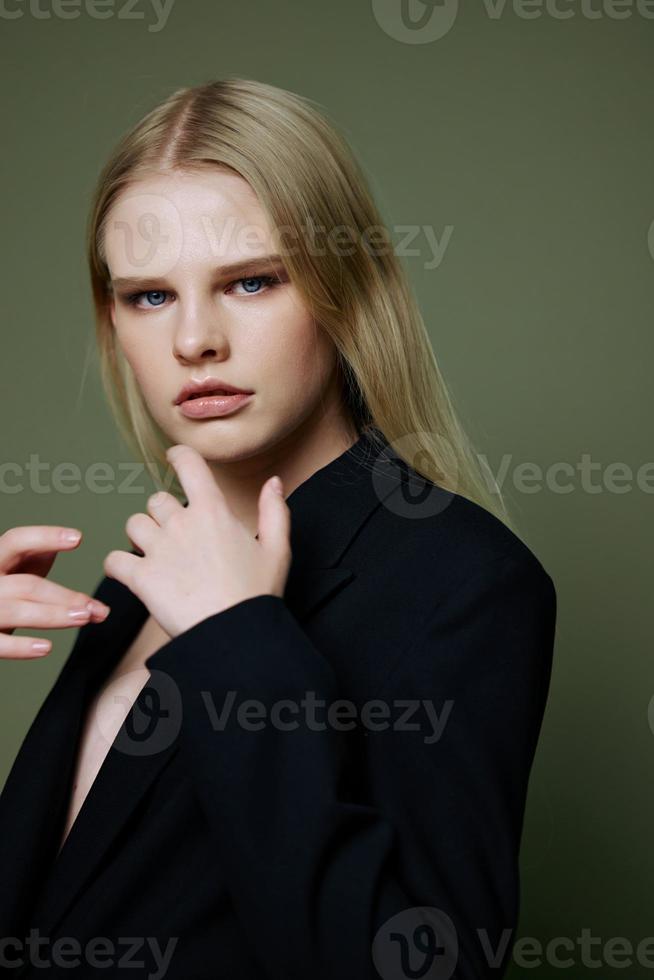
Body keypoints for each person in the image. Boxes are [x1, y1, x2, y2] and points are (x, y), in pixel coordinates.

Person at [0, 77, 557, 979]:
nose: (194, 341)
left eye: (251, 280)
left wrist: (240, 644)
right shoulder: (146, 566)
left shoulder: (465, 584)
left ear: (347, 289)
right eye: (149, 296)